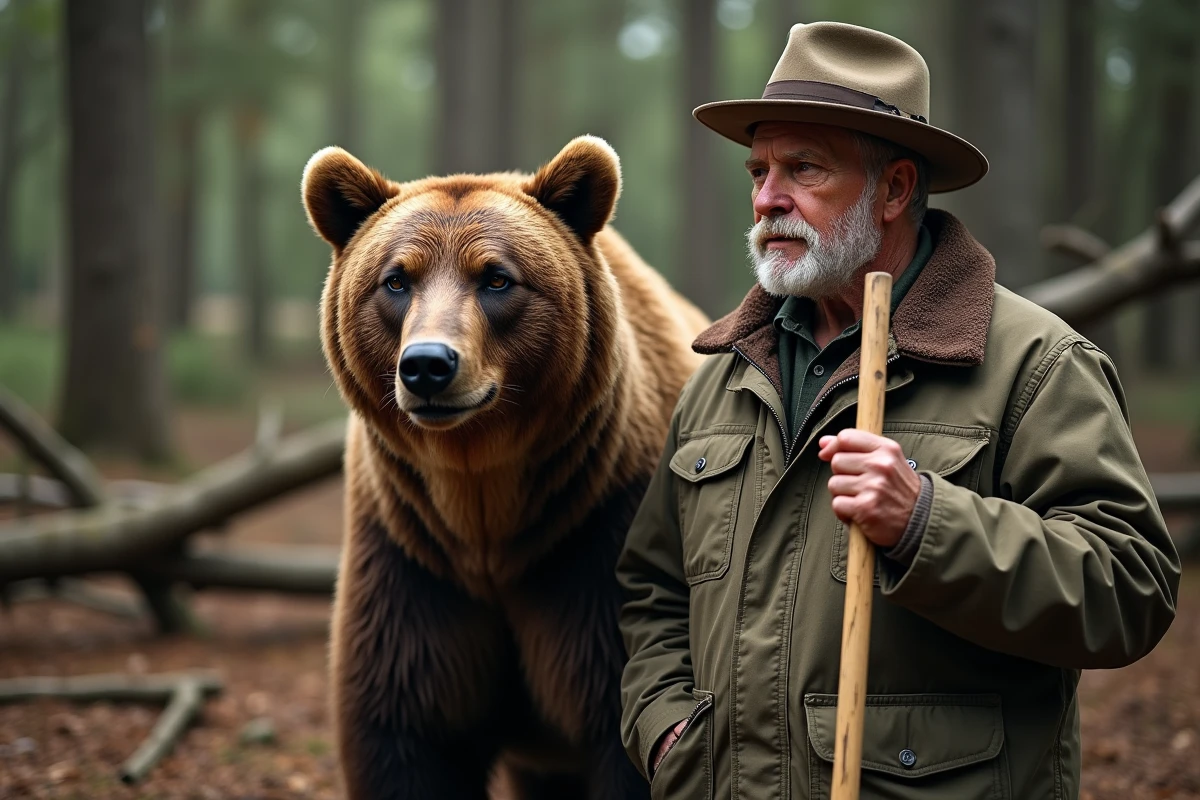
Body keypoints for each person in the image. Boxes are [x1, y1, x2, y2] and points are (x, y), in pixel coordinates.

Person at [617, 20, 1180, 800]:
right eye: (759, 170)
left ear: (895, 189)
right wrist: (667, 729)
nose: (768, 198)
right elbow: (650, 588)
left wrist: (927, 523)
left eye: (803, 169)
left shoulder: (1032, 363)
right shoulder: (723, 374)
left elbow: (1132, 587)